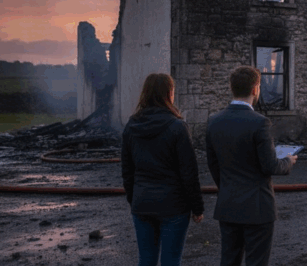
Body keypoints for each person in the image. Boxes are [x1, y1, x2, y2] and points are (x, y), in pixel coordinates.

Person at [206, 66, 297, 266]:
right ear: (256, 89)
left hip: (228, 204)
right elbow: (270, 166)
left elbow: (213, 164)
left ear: (232, 88)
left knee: (228, 260)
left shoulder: (213, 121)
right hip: (258, 207)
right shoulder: (260, 123)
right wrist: (288, 162)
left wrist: (227, 188)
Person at [121, 73, 205, 266]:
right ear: (169, 94)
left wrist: (134, 199)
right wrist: (197, 207)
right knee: (171, 260)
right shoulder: (178, 127)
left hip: (142, 203)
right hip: (173, 206)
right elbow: (189, 172)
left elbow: (127, 171)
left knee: (146, 260)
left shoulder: (131, 126)